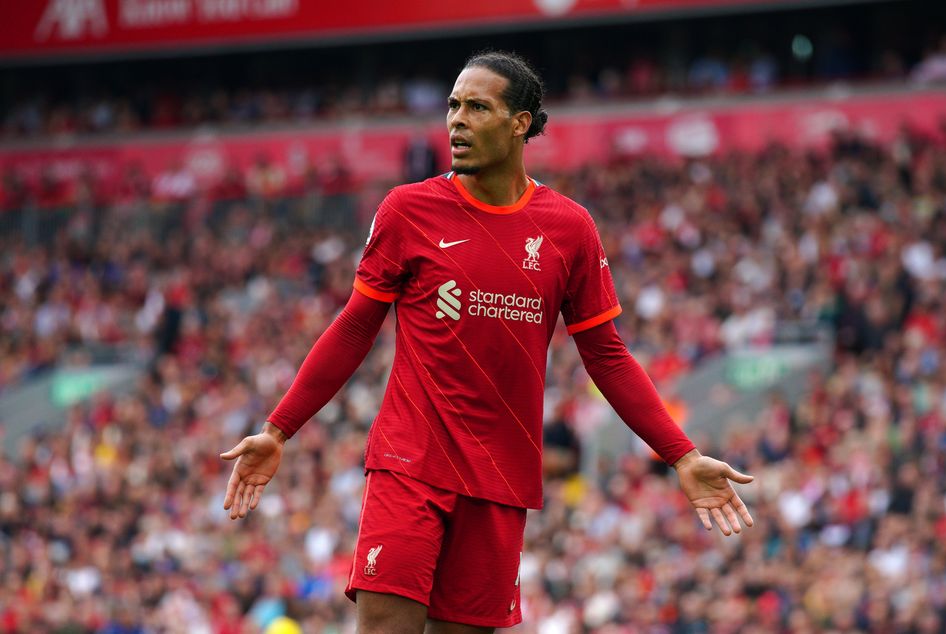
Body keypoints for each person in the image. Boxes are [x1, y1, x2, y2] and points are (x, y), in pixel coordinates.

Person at [220, 51, 754, 634]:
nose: (457, 121)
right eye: (453, 106)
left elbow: (606, 355)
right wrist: (278, 430)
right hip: (409, 463)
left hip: (499, 480)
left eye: (477, 107)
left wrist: (680, 454)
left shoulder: (569, 228)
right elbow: (354, 327)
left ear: (521, 122)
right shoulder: (409, 209)